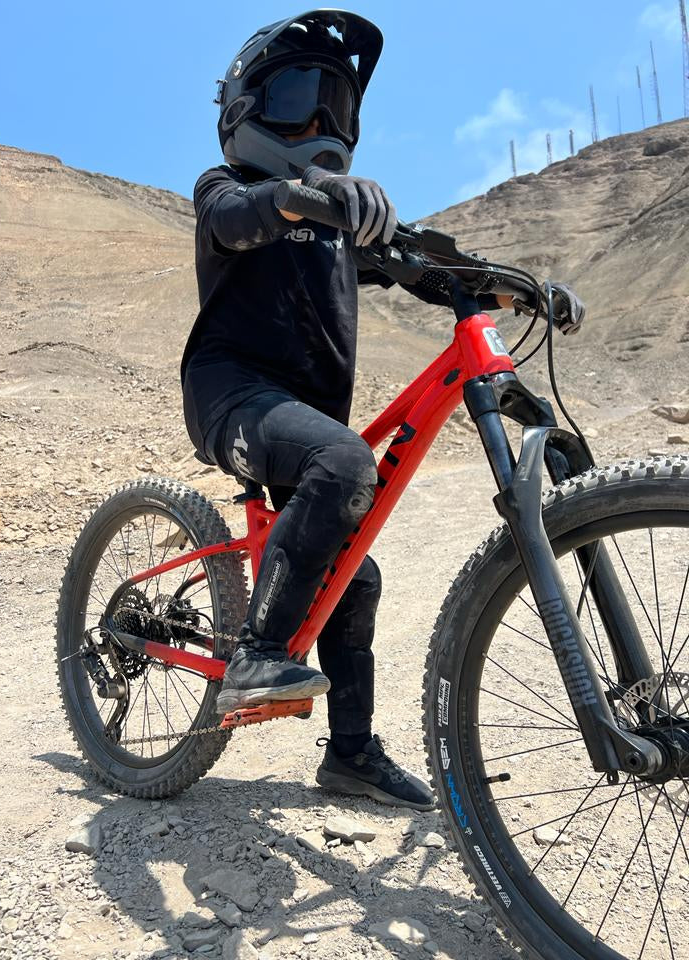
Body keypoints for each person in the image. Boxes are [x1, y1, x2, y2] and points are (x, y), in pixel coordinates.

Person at [180, 10, 583, 810]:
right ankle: (257, 652)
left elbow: (428, 269)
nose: (322, 126)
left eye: (337, 109)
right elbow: (235, 220)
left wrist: (517, 289)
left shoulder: (342, 234)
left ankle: (351, 755)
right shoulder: (227, 190)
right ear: (245, 110)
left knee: (355, 576)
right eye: (300, 101)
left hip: (305, 423)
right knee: (345, 460)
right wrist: (303, 196)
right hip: (231, 399)